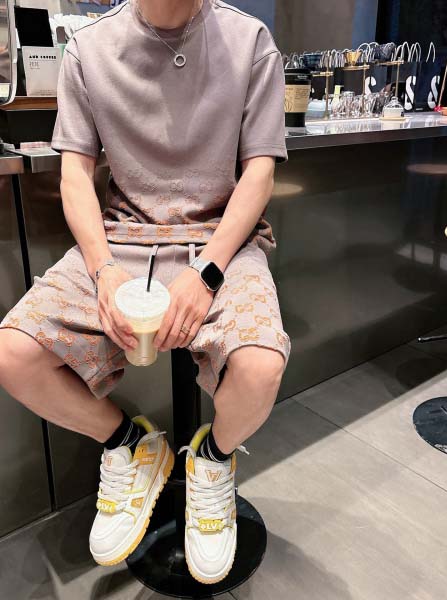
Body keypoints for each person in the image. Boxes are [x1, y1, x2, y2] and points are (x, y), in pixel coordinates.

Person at [0, 0, 290, 584]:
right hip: (121, 240)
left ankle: (212, 459)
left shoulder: (250, 40)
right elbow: (75, 174)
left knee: (261, 365)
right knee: (13, 353)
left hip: (221, 240)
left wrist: (207, 272)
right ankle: (129, 443)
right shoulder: (89, 49)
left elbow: (259, 171)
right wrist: (104, 270)